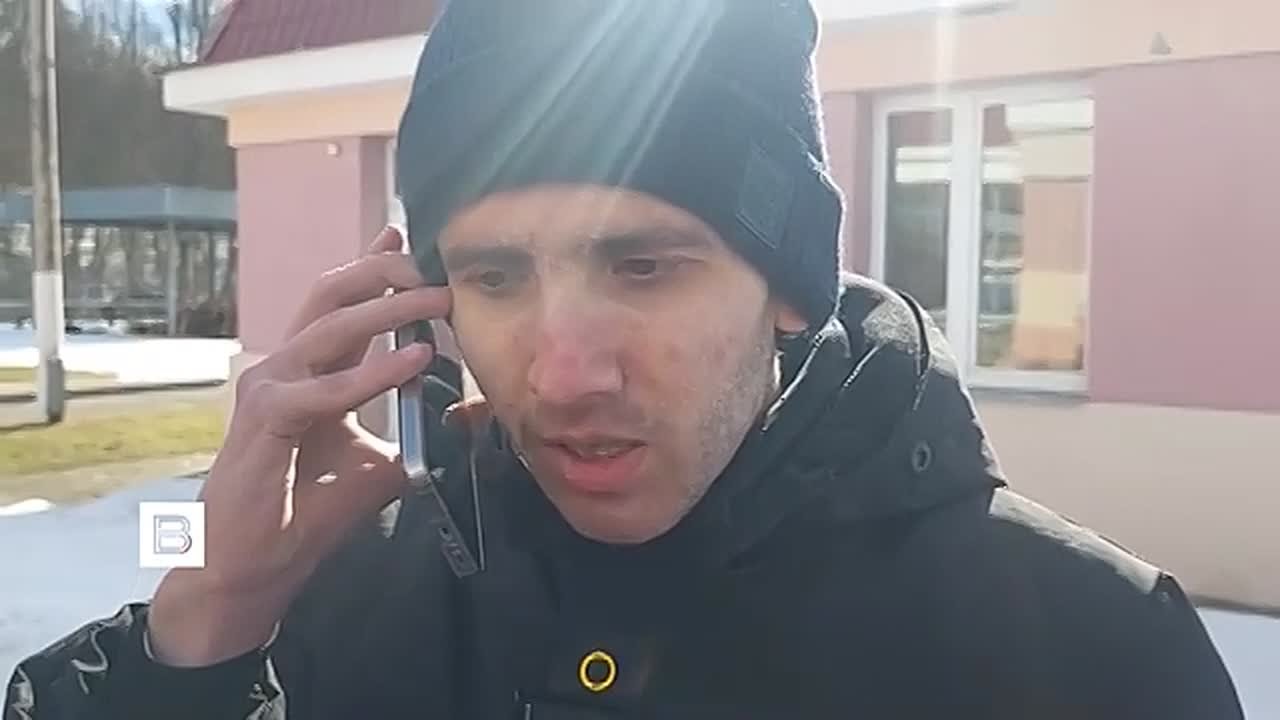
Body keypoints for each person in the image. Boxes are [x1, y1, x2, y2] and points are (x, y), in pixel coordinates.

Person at [6, 1, 1244, 718]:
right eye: (495, 277)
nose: (559, 375)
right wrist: (203, 623)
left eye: (643, 266)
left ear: (787, 288)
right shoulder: (334, 608)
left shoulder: (1081, 652)